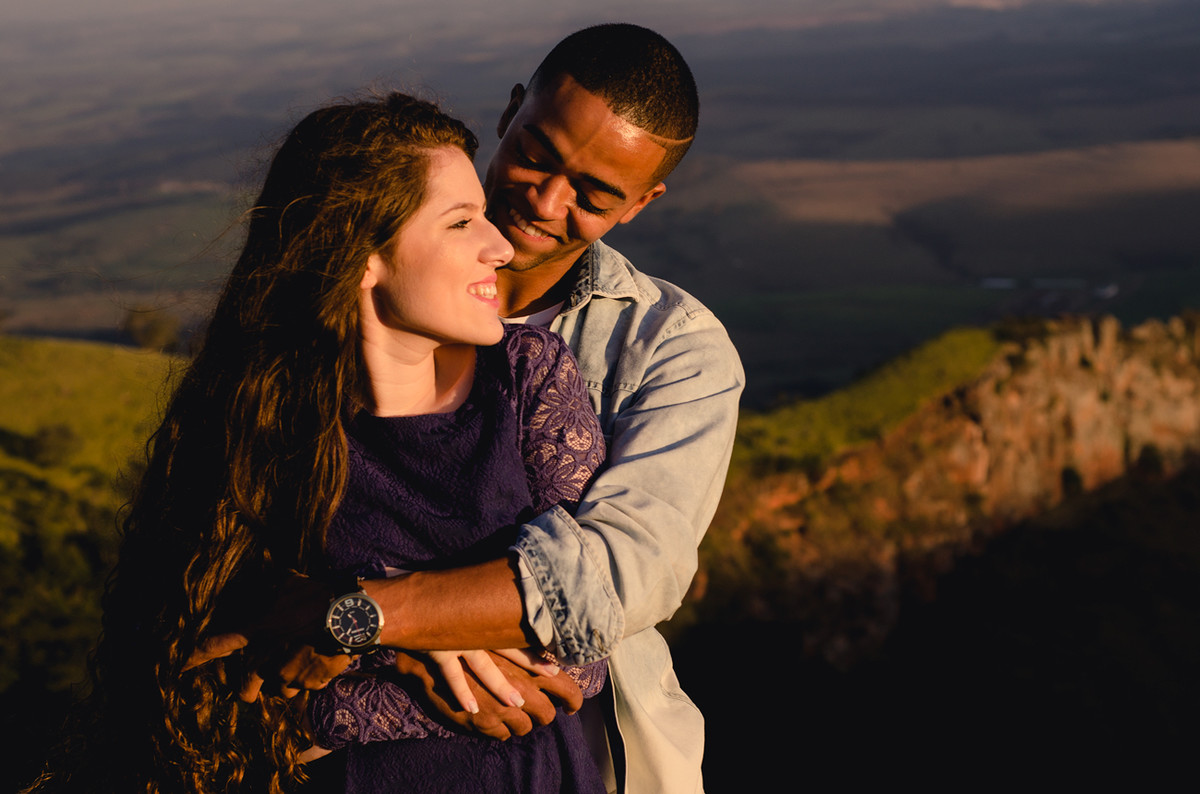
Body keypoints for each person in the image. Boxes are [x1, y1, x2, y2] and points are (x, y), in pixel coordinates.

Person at [22, 93, 612, 794]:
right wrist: (406, 644)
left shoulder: (528, 375)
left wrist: (341, 620)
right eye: (461, 222)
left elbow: (581, 647)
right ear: (363, 255)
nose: (502, 246)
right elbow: (202, 699)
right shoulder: (255, 422)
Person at [240, 23, 744, 794]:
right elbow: (232, 548)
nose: (544, 200)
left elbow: (619, 576)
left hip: (582, 764)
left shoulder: (673, 351)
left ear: (641, 204)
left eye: (594, 195)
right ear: (512, 111)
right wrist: (407, 639)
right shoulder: (336, 307)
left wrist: (358, 614)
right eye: (538, 155)